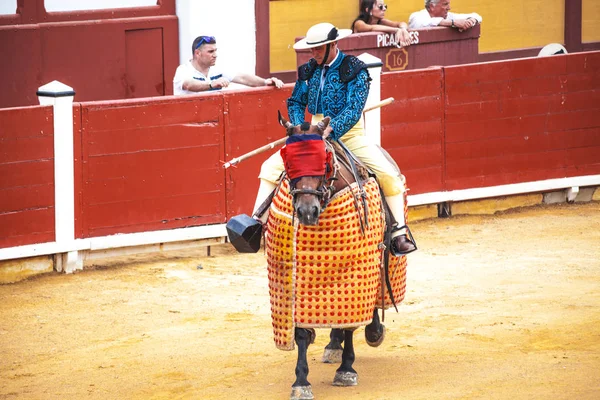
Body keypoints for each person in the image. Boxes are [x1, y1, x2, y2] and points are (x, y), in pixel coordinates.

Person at [253, 22, 416, 255]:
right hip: (311, 135)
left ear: (333, 45)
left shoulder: (354, 69)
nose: (314, 53)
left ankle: (399, 232)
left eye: (319, 48)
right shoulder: (308, 69)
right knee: (269, 167)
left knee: (387, 173)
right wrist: (302, 128)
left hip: (349, 134)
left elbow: (354, 108)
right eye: (312, 49)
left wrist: (331, 129)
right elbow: (295, 101)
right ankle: (256, 223)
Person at [173, 35, 283, 95]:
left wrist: (265, 82)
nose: (215, 55)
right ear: (197, 53)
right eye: (210, 52)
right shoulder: (183, 70)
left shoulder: (218, 69)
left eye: (215, 51)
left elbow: (243, 78)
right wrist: (211, 84)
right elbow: (188, 85)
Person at [408, 0, 482, 31]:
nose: (449, 8)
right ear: (432, 6)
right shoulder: (416, 16)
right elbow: (423, 23)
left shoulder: (448, 16)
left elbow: (476, 16)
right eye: (445, 4)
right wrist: (452, 23)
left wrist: (471, 20)